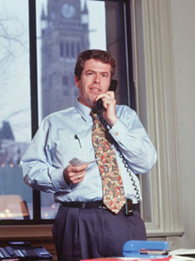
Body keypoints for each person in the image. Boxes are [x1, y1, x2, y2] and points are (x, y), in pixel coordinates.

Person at [21, 49, 157, 261]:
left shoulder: (126, 117)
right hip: (77, 221)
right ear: (77, 79)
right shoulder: (54, 123)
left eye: (104, 75)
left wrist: (113, 121)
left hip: (125, 219)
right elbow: (29, 169)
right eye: (90, 73)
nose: (97, 81)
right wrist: (62, 176)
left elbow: (146, 162)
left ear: (110, 83)